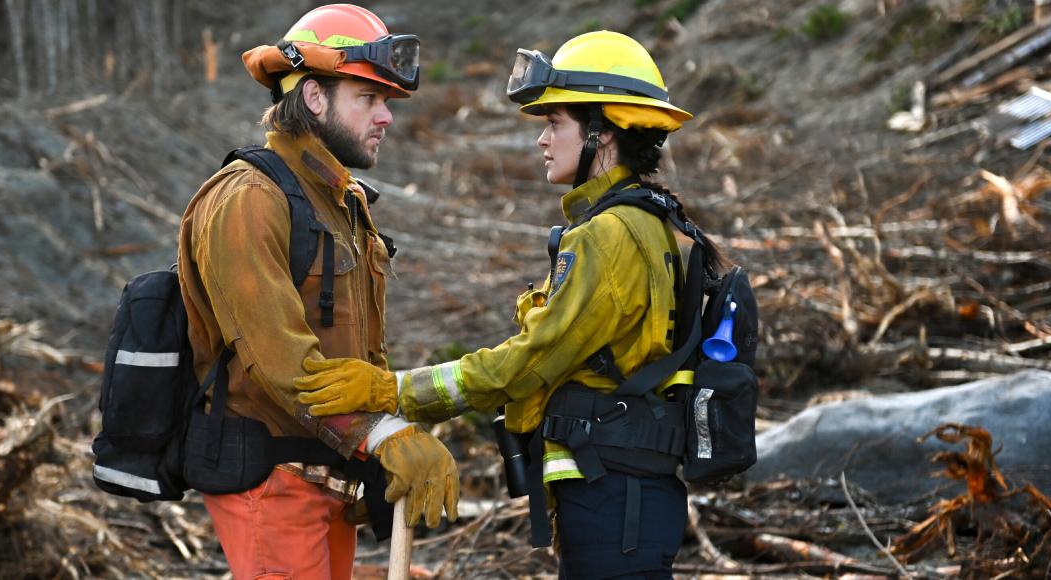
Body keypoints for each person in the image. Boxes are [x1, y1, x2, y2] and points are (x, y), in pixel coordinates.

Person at [294, 30, 727, 579]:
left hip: (616, 499)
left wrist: (394, 391)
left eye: (554, 124)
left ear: (603, 132)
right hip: (627, 495)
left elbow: (529, 362)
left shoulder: (610, 235)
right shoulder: (652, 222)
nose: (542, 141)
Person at [177, 3, 459, 580]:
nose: (385, 117)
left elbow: (358, 355)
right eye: (368, 100)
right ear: (312, 97)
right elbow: (278, 358)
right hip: (271, 484)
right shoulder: (247, 199)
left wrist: (375, 438)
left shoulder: (340, 201)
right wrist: (379, 434)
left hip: (329, 477)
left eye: (386, 102)